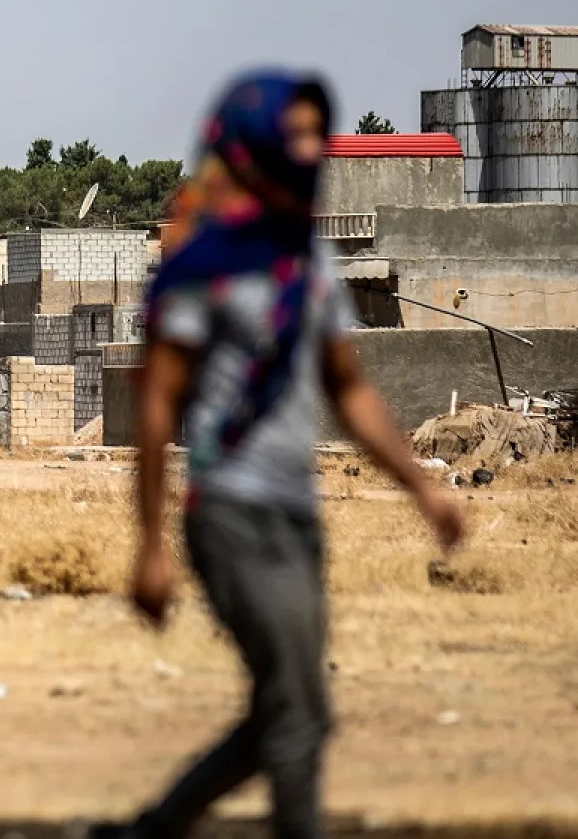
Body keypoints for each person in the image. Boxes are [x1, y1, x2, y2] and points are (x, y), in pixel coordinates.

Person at [93, 70, 466, 839]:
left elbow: (349, 391)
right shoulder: (203, 266)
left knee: (285, 712)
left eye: (312, 133)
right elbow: (158, 403)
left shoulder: (311, 263)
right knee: (299, 714)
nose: (307, 148)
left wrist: (423, 488)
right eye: (292, 133)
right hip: (228, 513)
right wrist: (150, 545)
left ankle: (151, 830)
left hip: (296, 516)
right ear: (254, 143)